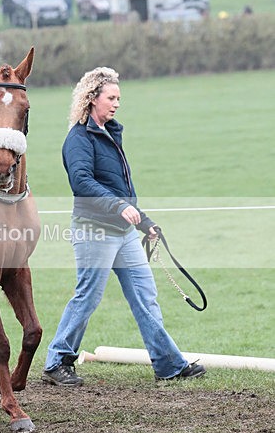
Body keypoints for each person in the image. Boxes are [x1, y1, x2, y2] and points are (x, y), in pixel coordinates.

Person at [42, 66, 207, 387]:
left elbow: (119, 188)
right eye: (111, 98)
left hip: (123, 232)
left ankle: (168, 365)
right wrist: (119, 206)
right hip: (93, 229)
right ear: (93, 98)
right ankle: (57, 361)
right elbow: (81, 182)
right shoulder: (78, 138)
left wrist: (144, 222)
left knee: (146, 297)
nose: (116, 104)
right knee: (88, 297)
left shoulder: (110, 133)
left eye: (119, 98)